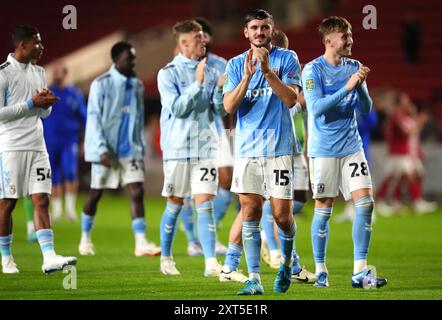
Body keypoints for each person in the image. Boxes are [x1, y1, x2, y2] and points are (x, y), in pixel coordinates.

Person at [302, 16, 387, 288]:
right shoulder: (312, 70)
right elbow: (316, 109)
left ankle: (360, 271)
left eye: (351, 35)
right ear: (329, 41)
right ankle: (321, 270)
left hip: (352, 147)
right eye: (345, 36)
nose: (350, 40)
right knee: (324, 207)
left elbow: (366, 109)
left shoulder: (353, 67)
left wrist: (360, 86)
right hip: (324, 149)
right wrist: (347, 86)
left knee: (366, 203)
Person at [223, 9, 301, 295]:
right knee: (250, 211)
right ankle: (254, 278)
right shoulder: (234, 65)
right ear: (246, 32)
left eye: (264, 27)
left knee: (282, 216)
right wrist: (246, 78)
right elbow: (229, 107)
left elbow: (291, 98)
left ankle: (288, 261)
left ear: (271, 29)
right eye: (254, 28)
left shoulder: (287, 59)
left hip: (279, 149)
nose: (259, 32)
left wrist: (267, 72)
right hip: (247, 150)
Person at [0, 25, 77, 274]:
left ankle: (49, 256)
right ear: (22, 45)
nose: (41, 46)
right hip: (11, 147)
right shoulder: (3, 74)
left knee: (41, 199)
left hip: (37, 145)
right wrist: (31, 103)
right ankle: (6, 258)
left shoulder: (40, 71)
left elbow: (43, 113)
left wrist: (46, 104)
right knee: (8, 203)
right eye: (37, 42)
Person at [78, 41, 161, 257]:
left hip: (130, 149)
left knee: (137, 191)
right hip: (106, 150)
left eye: (133, 58)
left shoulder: (137, 85)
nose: (132, 62)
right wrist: (100, 148)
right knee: (96, 194)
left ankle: (140, 243)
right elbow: (94, 118)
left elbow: (139, 117)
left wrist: (140, 148)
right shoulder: (101, 84)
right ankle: (85, 238)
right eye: (128, 59)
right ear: (116, 60)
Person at [157, 20, 224, 277]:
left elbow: (217, 110)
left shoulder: (210, 70)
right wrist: (197, 84)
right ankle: (166, 257)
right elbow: (177, 109)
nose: (203, 40)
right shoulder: (168, 73)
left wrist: (218, 91)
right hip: (177, 149)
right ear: (184, 43)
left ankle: (210, 263)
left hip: (206, 147)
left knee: (205, 204)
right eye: (198, 37)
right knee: (174, 204)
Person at [43, 61, 87, 221]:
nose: (55, 74)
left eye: (58, 71)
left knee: (69, 173)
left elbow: (84, 117)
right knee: (52, 175)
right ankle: (57, 210)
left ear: (65, 73)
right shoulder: (46, 93)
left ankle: (70, 209)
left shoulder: (74, 94)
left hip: (69, 140)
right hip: (50, 139)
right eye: (53, 71)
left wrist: (85, 139)